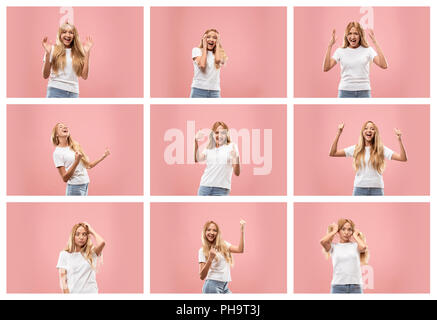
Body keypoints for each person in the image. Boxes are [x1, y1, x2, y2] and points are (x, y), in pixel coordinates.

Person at [329, 121, 407, 195]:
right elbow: (333, 153)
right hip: (359, 189)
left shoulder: (380, 149)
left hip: (377, 189)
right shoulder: (356, 148)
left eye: (372, 129)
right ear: (362, 132)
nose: (369, 130)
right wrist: (339, 132)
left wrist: (399, 140)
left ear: (375, 133)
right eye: (366, 128)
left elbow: (403, 158)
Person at [323, 22, 387, 98]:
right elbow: (326, 68)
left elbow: (384, 65)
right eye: (350, 33)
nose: (352, 36)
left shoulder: (368, 50)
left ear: (360, 35)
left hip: (364, 92)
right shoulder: (340, 51)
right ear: (346, 35)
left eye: (356, 33)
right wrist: (330, 46)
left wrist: (375, 43)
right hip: (345, 92)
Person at [51, 123, 110, 196]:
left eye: (65, 126)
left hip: (85, 184)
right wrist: (76, 161)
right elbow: (65, 178)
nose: (65, 127)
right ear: (56, 134)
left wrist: (103, 156)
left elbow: (89, 165)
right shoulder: (57, 153)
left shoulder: (75, 146)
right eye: (61, 127)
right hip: (74, 187)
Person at [42, 22, 93, 98]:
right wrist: (47, 54)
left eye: (71, 33)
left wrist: (87, 53)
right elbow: (45, 75)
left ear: (74, 36)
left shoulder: (79, 52)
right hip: (55, 91)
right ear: (60, 35)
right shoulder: (52, 49)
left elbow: (84, 76)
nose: (68, 35)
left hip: (73, 93)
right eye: (64, 32)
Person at [320, 218, 368, 294]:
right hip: (338, 287)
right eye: (343, 229)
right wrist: (334, 231)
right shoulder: (333, 247)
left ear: (352, 232)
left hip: (355, 287)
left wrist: (355, 236)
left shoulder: (356, 246)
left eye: (349, 230)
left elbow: (364, 247)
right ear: (339, 231)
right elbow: (322, 242)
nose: (346, 232)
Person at [56, 222, 105, 293]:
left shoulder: (91, 253)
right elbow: (63, 281)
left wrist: (91, 230)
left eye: (84, 234)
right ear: (73, 236)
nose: (81, 237)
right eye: (77, 234)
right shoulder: (64, 254)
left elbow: (102, 243)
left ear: (87, 237)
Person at [199, 219, 246, 294]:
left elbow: (240, 250)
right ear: (205, 232)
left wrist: (242, 231)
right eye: (209, 230)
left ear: (217, 233)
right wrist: (210, 259)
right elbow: (202, 276)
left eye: (214, 230)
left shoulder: (224, 245)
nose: (211, 232)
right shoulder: (202, 251)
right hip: (212, 286)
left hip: (225, 286)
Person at [195, 121, 240, 196]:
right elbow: (197, 159)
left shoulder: (232, 146)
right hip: (204, 187)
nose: (219, 135)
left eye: (223, 133)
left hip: (221, 190)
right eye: (217, 132)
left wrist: (236, 158)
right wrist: (195, 140)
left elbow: (237, 172)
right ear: (213, 134)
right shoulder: (209, 147)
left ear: (227, 134)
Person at [190, 29, 227, 98]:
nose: (211, 39)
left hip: (215, 92)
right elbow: (202, 65)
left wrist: (218, 44)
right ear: (204, 39)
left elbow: (217, 60)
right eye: (208, 37)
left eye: (215, 38)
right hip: (198, 90)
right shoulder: (196, 50)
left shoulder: (220, 54)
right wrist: (204, 47)